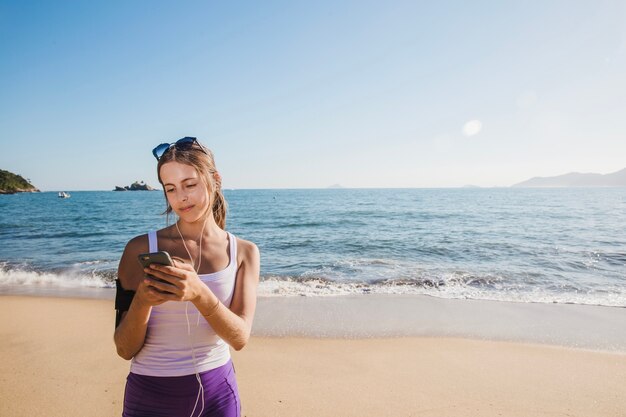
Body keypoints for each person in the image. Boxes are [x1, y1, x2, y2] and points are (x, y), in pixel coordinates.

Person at [113, 137, 260, 417]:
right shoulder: (140, 249)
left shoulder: (244, 252)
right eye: (171, 189)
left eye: (190, 184)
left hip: (218, 394)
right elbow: (124, 348)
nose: (181, 197)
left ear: (214, 179)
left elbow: (240, 338)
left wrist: (199, 293)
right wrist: (143, 301)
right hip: (150, 395)